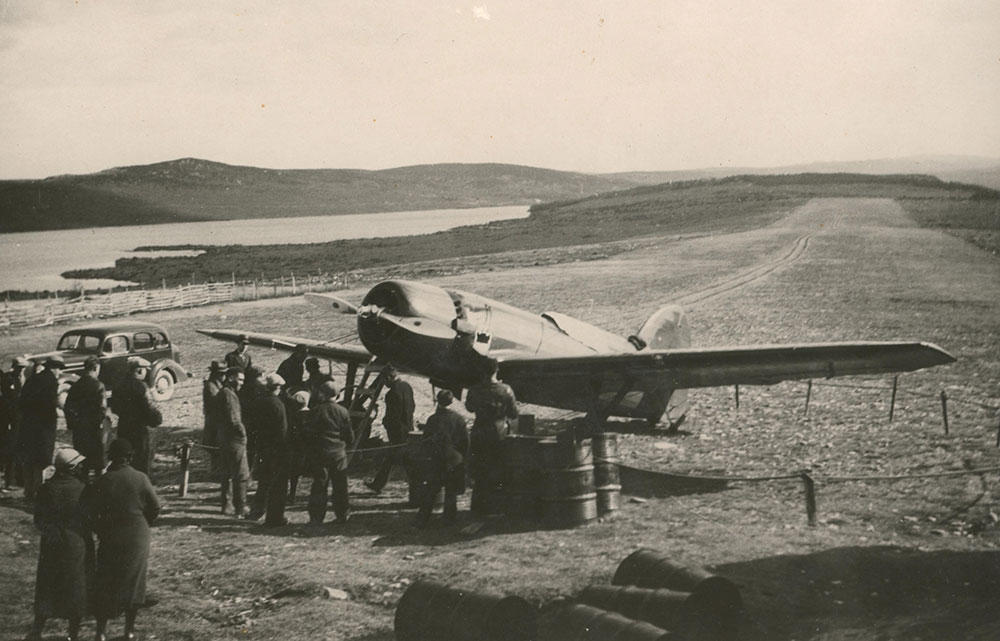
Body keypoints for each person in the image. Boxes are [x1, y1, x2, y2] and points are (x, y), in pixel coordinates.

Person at [85, 439, 161, 641]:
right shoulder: (141, 478)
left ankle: (100, 632)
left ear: (110, 457)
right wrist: (143, 523)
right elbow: (155, 507)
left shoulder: (103, 481)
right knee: (135, 584)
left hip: (111, 536)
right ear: (130, 457)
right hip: (137, 536)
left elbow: (88, 513)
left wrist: (100, 529)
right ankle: (129, 631)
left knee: (105, 581)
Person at [26, 447, 93, 641]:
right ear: (71, 467)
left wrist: (51, 532)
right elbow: (90, 517)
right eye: (79, 464)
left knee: (47, 585)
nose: (82, 467)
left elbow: (38, 519)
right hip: (77, 543)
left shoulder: (46, 488)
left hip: (52, 543)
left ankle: (37, 630)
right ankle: (73, 633)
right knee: (76, 587)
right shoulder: (82, 488)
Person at [464, 359, 518, 516]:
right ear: (497, 370)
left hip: (479, 431)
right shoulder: (506, 390)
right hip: (499, 433)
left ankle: (478, 507)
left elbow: (469, 407)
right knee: (498, 467)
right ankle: (498, 507)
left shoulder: (474, 390)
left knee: (480, 469)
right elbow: (514, 413)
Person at [302, 380, 353, 525]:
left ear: (322, 394)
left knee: (319, 485)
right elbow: (349, 435)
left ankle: (316, 517)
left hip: (320, 453)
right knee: (340, 485)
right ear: (337, 395)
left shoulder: (316, 410)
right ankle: (342, 515)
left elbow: (308, 433)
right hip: (338, 453)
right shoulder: (343, 411)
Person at [417, 390, 469, 526]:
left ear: (438, 401)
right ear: (452, 402)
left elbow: (425, 441)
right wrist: (460, 457)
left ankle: (422, 519)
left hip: (437, 460)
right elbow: (465, 442)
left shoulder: (432, 420)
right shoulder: (459, 419)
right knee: (451, 492)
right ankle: (449, 519)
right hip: (454, 460)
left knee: (431, 490)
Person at [18, 356, 65, 501]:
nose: (60, 373)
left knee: (29, 459)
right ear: (55, 368)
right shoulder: (51, 382)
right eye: (59, 369)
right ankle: (38, 492)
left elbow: (22, 402)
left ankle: (28, 492)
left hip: (28, 425)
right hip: (43, 427)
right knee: (41, 461)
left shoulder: (33, 379)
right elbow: (49, 406)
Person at [248, 373, 290, 526]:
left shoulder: (258, 402)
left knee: (263, 482)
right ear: (278, 388)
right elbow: (282, 430)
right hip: (276, 449)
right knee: (278, 485)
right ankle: (276, 517)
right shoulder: (278, 405)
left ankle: (256, 511)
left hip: (262, 447)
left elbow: (252, 425)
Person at [366, 365, 415, 494]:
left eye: (384, 380)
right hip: (408, 427)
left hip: (397, 431)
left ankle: (418, 485)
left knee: (403, 459)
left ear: (388, 377)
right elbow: (412, 407)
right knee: (394, 458)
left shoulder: (392, 393)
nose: (384, 383)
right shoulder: (407, 387)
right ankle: (378, 484)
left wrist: (385, 422)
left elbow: (393, 415)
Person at [110, 357, 162, 476]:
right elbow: (150, 408)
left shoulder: (118, 385)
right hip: (140, 430)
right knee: (141, 460)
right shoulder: (141, 386)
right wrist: (157, 419)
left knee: (125, 458)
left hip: (123, 427)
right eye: (145, 370)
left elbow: (114, 408)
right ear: (139, 371)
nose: (146, 373)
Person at [64, 355, 108, 477]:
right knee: (98, 463)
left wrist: (73, 424)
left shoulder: (76, 385)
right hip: (94, 430)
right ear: (95, 368)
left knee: (82, 461)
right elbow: (102, 408)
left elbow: (68, 407)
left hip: (80, 429)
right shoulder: (99, 385)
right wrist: (98, 423)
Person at [216, 366, 250, 516]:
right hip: (234, 440)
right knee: (241, 474)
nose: (242, 383)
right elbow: (234, 419)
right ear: (230, 378)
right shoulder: (229, 395)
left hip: (224, 438)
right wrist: (243, 433)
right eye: (240, 379)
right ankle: (241, 507)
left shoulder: (223, 393)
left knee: (227, 473)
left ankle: (227, 504)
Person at [1, 355, 30, 489]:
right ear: (14, 367)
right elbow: (6, 401)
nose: (21, 370)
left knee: (21, 449)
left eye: (23, 368)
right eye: (19, 368)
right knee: (10, 450)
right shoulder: (8, 379)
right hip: (10, 420)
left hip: (22, 420)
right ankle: (8, 481)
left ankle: (18, 480)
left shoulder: (25, 380)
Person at [283, 389, 310, 504]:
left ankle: (291, 494)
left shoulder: (296, 416)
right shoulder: (312, 414)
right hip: (308, 447)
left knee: (293, 473)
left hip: (297, 448)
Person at [202, 360, 226, 480]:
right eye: (222, 374)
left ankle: (217, 470)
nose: (224, 376)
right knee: (215, 446)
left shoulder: (216, 384)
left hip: (216, 420)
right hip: (214, 420)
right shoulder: (211, 387)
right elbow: (216, 404)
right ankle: (216, 472)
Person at [240, 365, 266, 472]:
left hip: (246, 421)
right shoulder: (261, 388)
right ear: (259, 375)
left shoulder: (243, 387)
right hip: (258, 422)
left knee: (248, 448)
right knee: (259, 448)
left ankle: (247, 470)